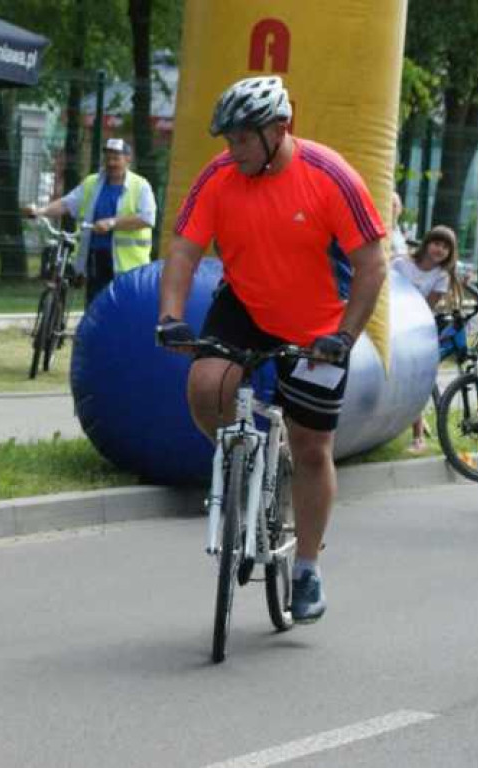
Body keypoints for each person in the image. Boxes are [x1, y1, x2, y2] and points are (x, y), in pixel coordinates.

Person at [156, 76, 387, 624]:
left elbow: (372, 266)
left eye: (240, 138)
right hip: (248, 306)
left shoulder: (330, 178)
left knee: (311, 447)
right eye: (227, 138)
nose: (230, 150)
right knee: (205, 385)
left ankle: (306, 567)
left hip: (320, 325)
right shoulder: (218, 177)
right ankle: (243, 465)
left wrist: (345, 338)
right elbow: (185, 252)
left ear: (279, 130)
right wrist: (168, 316)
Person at [23, 137, 156, 305]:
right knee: (94, 302)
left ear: (128, 159)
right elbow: (66, 203)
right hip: (95, 254)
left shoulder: (141, 186)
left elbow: (147, 218)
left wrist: (112, 223)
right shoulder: (92, 183)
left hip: (128, 266)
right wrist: (41, 211)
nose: (111, 163)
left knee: (122, 307)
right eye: (108, 158)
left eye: (116, 158)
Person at [392, 225, 461, 452]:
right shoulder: (401, 264)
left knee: (416, 380)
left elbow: (426, 307)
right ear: (427, 243)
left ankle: (418, 437)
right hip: (392, 324)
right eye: (436, 243)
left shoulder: (441, 276)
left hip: (415, 328)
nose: (439, 250)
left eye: (445, 247)